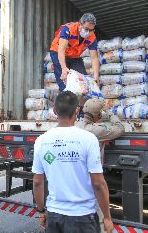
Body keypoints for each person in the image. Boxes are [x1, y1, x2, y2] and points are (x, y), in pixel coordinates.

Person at [32, 91, 113, 233]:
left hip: (54, 215)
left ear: (55, 111)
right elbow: (99, 183)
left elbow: (38, 182)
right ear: (77, 110)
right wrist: (107, 217)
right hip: (84, 217)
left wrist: (41, 211)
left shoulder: (41, 141)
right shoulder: (88, 139)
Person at [76, 98, 124, 232]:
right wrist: (110, 115)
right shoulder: (96, 130)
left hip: (77, 176)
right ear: (98, 115)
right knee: (100, 214)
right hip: (91, 177)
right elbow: (120, 129)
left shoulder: (75, 125)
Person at [49, 13, 100, 91]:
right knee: (64, 80)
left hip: (74, 56)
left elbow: (94, 57)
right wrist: (64, 68)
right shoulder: (68, 29)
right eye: (86, 29)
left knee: (83, 81)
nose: (88, 32)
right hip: (58, 52)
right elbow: (61, 50)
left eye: (91, 30)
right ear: (80, 24)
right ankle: (65, 96)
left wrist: (96, 76)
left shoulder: (92, 37)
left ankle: (81, 100)